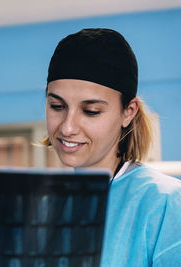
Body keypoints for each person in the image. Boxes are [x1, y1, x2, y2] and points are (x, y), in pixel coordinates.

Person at [43, 28, 181, 266]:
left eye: (91, 111)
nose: (67, 127)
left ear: (128, 112)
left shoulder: (166, 203)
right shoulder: (43, 208)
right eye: (57, 106)